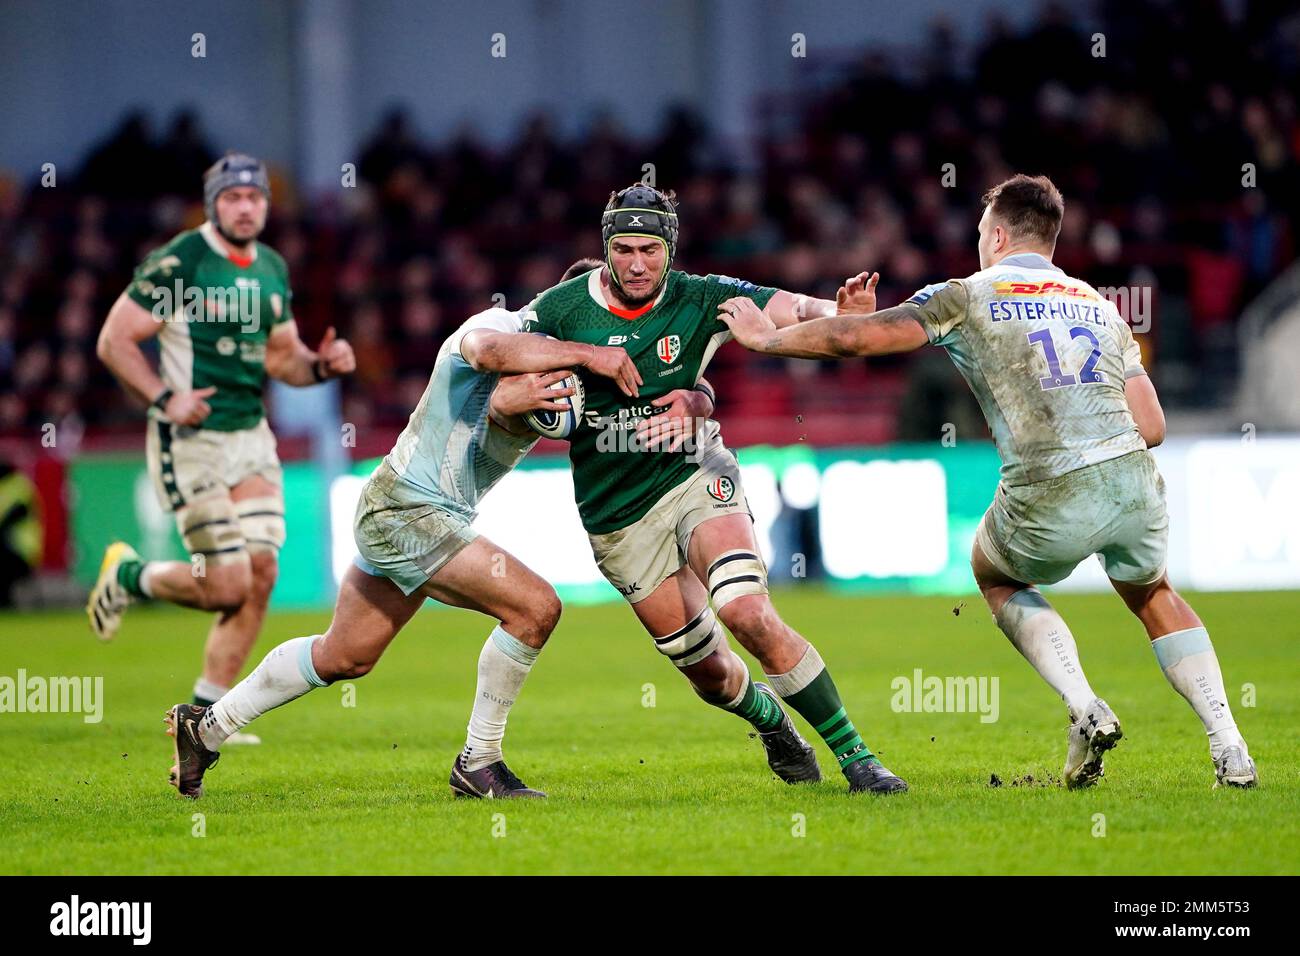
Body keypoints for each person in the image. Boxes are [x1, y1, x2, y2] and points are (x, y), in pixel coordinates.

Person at [718, 173, 1257, 789]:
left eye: (981, 233)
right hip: (1132, 481)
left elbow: (854, 339)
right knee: (1154, 593)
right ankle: (1231, 748)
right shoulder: (1099, 305)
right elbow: (1153, 425)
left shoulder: (968, 295)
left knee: (994, 571)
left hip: (1049, 485)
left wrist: (768, 339)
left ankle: (1083, 704)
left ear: (997, 234)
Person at [166, 259, 715, 800]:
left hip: (409, 510)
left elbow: (665, 384)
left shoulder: (567, 376)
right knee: (534, 608)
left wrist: (700, 397)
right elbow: (484, 354)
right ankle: (479, 762)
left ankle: (206, 728)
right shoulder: (506, 327)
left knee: (345, 656)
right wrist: (586, 355)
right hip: (406, 508)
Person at [523, 184, 908, 794]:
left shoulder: (702, 296)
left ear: (670, 247)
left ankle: (858, 758)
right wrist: (534, 384)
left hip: (697, 476)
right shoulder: (562, 308)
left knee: (747, 611)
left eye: (650, 249)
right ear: (606, 247)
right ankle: (773, 724)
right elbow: (491, 354)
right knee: (712, 675)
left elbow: (798, 311)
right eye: (624, 249)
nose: (638, 263)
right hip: (618, 517)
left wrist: (847, 317)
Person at [90, 153, 355, 745]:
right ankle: (128, 574)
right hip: (193, 440)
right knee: (228, 584)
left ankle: (206, 714)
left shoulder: (269, 268)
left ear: (265, 204)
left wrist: (320, 365)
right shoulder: (183, 260)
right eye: (232, 197)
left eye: (254, 198)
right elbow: (115, 340)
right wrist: (164, 397)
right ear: (213, 203)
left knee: (260, 573)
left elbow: (282, 357)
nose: (244, 207)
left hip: (250, 436)